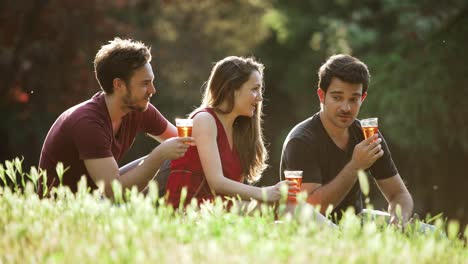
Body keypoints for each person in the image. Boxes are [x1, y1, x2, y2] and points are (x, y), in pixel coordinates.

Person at [39, 38, 193, 197]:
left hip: (99, 195)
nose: (152, 90)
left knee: (175, 155)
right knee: (164, 156)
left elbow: (185, 143)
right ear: (118, 85)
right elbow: (112, 191)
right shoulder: (87, 123)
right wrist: (159, 155)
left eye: (152, 82)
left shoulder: (138, 108)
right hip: (70, 209)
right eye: (145, 83)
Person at [280, 54, 414, 225]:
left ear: (362, 98)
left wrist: (398, 222)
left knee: (432, 233)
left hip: (356, 221)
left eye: (353, 99)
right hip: (313, 227)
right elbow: (310, 210)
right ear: (322, 95)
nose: (346, 107)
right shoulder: (301, 140)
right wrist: (355, 166)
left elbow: (399, 194)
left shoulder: (366, 134)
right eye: (337, 97)